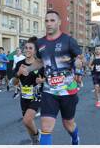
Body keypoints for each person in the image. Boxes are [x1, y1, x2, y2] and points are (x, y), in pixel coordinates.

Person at [22, 10, 84, 145]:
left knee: (68, 123)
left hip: (68, 90)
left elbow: (80, 59)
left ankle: (75, 137)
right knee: (45, 127)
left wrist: (78, 63)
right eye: (46, 21)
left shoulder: (68, 40)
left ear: (59, 22)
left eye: (52, 20)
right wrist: (28, 68)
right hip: (49, 91)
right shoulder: (40, 43)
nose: (49, 23)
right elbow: (39, 61)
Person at [12, 37, 44, 144]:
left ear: (35, 51)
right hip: (24, 96)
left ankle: (37, 134)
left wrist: (42, 80)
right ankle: (35, 141)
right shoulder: (20, 64)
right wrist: (18, 73)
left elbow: (48, 78)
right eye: (26, 48)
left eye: (30, 48)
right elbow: (14, 83)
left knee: (27, 120)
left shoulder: (39, 64)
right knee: (27, 123)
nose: (27, 50)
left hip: (36, 95)